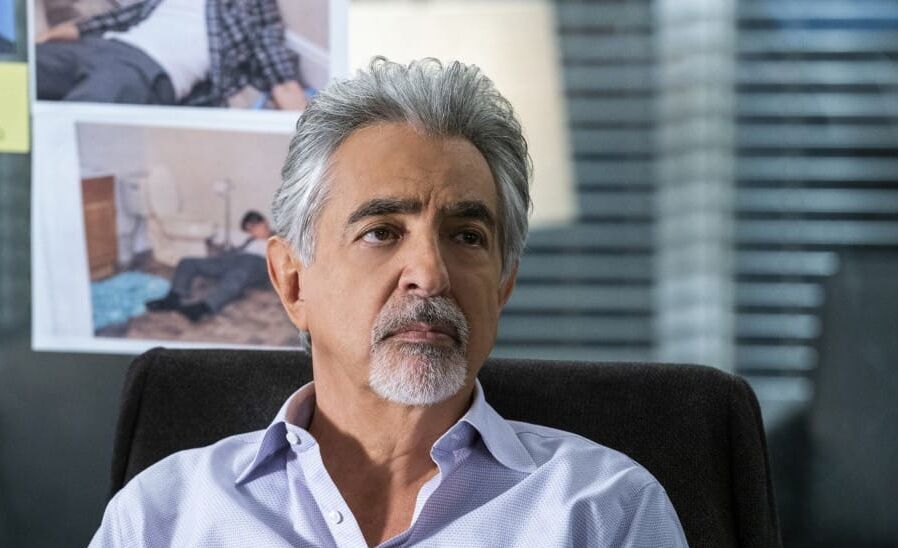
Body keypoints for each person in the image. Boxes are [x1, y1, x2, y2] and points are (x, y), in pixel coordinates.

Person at [91, 58, 689, 547]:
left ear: (503, 284)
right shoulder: (163, 517)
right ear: (292, 282)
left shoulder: (604, 512)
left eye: (467, 236)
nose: (430, 274)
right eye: (381, 231)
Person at [35, 0, 307, 109]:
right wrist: (60, 33)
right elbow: (121, 17)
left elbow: (281, 77)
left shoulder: (252, 5)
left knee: (66, 122)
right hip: (101, 47)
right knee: (19, 73)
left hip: (148, 69)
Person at [145, 210, 272, 322]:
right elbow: (219, 236)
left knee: (240, 271)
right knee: (187, 262)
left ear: (264, 223)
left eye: (257, 226)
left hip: (258, 263)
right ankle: (173, 298)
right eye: (249, 228)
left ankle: (204, 308)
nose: (252, 231)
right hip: (232, 261)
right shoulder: (246, 239)